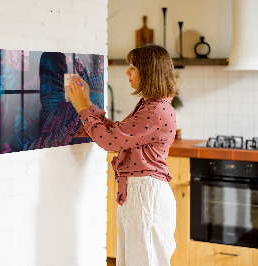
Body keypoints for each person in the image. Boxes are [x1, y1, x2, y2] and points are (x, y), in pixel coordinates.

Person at [66, 44, 178, 266]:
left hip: (146, 195)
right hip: (141, 193)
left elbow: (109, 141)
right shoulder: (151, 106)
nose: (127, 72)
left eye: (133, 67)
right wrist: (87, 103)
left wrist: (81, 107)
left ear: (149, 72)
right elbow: (116, 133)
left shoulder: (155, 111)